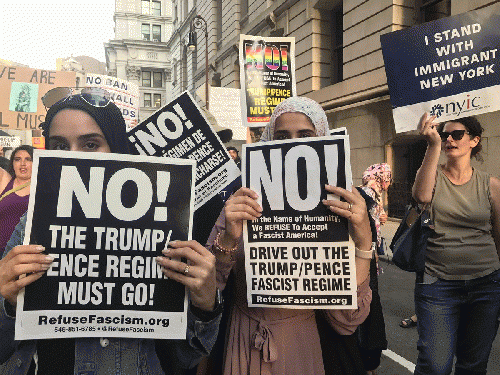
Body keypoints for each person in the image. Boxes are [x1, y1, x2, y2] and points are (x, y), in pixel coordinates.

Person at [0, 89, 222, 375]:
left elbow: (183, 359)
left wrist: (205, 307)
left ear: (116, 148)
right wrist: (6, 302)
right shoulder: (30, 227)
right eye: (59, 146)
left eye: (90, 144)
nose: (74, 158)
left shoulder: (162, 226)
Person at [206, 96, 373, 375]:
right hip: (241, 342)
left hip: (301, 346)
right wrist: (227, 240)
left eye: (305, 136)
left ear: (322, 138)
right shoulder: (244, 199)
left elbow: (346, 320)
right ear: (269, 139)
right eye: (282, 136)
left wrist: (363, 241)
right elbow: (209, 290)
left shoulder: (341, 205)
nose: (293, 144)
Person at [412, 113, 500, 375]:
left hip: (486, 284)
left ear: (474, 141)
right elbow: (421, 196)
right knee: (435, 366)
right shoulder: (433, 175)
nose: (449, 138)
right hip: (438, 284)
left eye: (457, 134)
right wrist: (432, 145)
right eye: (445, 134)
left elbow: (499, 234)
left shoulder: (491, 185)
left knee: (473, 366)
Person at [357, 164, 391, 375]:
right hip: (365, 260)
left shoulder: (371, 195)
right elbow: (368, 229)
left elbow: (374, 224)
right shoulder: (368, 196)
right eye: (387, 178)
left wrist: (380, 219)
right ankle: (366, 362)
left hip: (368, 258)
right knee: (367, 306)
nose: (389, 182)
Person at [0, 145, 33, 255]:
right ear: (12, 163)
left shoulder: (42, 188)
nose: (22, 163)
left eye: (28, 159)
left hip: (19, 256)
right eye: (17, 159)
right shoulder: (5, 181)